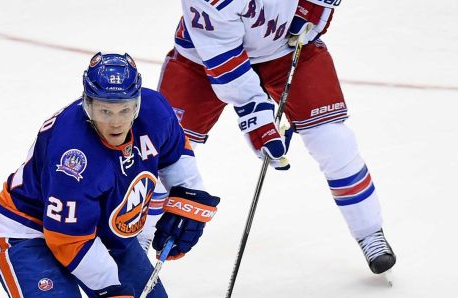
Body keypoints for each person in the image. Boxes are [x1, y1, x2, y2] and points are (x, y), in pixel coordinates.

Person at [0, 52, 220, 298]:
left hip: (103, 228)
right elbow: (69, 239)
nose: (115, 121)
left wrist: (188, 203)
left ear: (137, 104)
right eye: (104, 110)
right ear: (88, 104)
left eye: (124, 110)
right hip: (32, 230)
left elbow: (176, 160)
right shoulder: (72, 152)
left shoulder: (156, 112)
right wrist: (112, 296)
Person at [152, 0, 396, 275]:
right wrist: (258, 119)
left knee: (333, 141)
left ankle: (369, 233)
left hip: (284, 46)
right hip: (202, 58)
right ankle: (138, 242)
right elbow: (225, 63)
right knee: (161, 151)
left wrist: (315, 5)